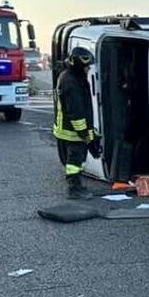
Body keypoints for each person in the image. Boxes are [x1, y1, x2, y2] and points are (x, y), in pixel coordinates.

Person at [53, 47, 101, 198]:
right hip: (72, 131)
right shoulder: (71, 82)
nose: (88, 69)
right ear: (79, 66)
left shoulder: (71, 76)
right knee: (74, 162)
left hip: (69, 129)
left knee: (75, 160)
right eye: (87, 66)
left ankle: (77, 186)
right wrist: (85, 135)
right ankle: (75, 190)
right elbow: (76, 112)